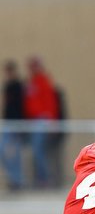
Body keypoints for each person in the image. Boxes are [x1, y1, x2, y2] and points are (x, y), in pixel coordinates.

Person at [23, 56, 59, 188]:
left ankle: (45, 179)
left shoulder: (43, 80)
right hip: (32, 121)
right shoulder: (31, 82)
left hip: (42, 120)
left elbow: (50, 102)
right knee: (36, 151)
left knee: (39, 151)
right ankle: (40, 178)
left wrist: (51, 121)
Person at [0, 60, 25, 190]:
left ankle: (17, 180)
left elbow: (22, 107)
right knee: (3, 151)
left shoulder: (19, 86)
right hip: (8, 123)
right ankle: (13, 178)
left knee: (15, 154)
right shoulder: (7, 86)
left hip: (17, 124)